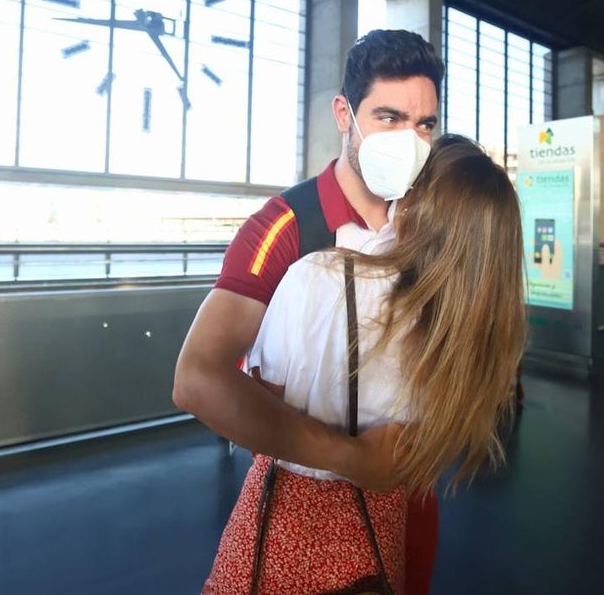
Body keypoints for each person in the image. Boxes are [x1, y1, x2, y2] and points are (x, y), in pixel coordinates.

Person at [174, 29, 444, 594]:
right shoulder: (285, 227)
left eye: (425, 125)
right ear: (344, 114)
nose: (410, 140)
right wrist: (350, 457)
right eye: (389, 118)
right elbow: (197, 377)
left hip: (405, 496)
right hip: (302, 512)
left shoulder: (421, 226)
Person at [202, 136, 526, 593]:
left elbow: (256, 396)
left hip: (289, 531)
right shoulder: (469, 336)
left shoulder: (319, 275)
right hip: (381, 535)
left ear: (413, 208)